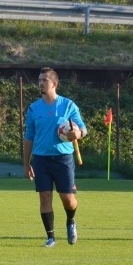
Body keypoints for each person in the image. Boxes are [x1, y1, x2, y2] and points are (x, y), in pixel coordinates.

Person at [23, 67, 87, 247]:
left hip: (63, 158)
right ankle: (51, 237)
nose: (40, 83)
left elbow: (82, 128)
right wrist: (26, 163)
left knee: (68, 198)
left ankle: (71, 221)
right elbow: (29, 137)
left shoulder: (68, 105)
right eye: (39, 80)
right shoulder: (34, 108)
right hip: (41, 159)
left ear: (54, 84)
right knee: (44, 196)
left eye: (44, 80)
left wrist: (78, 134)